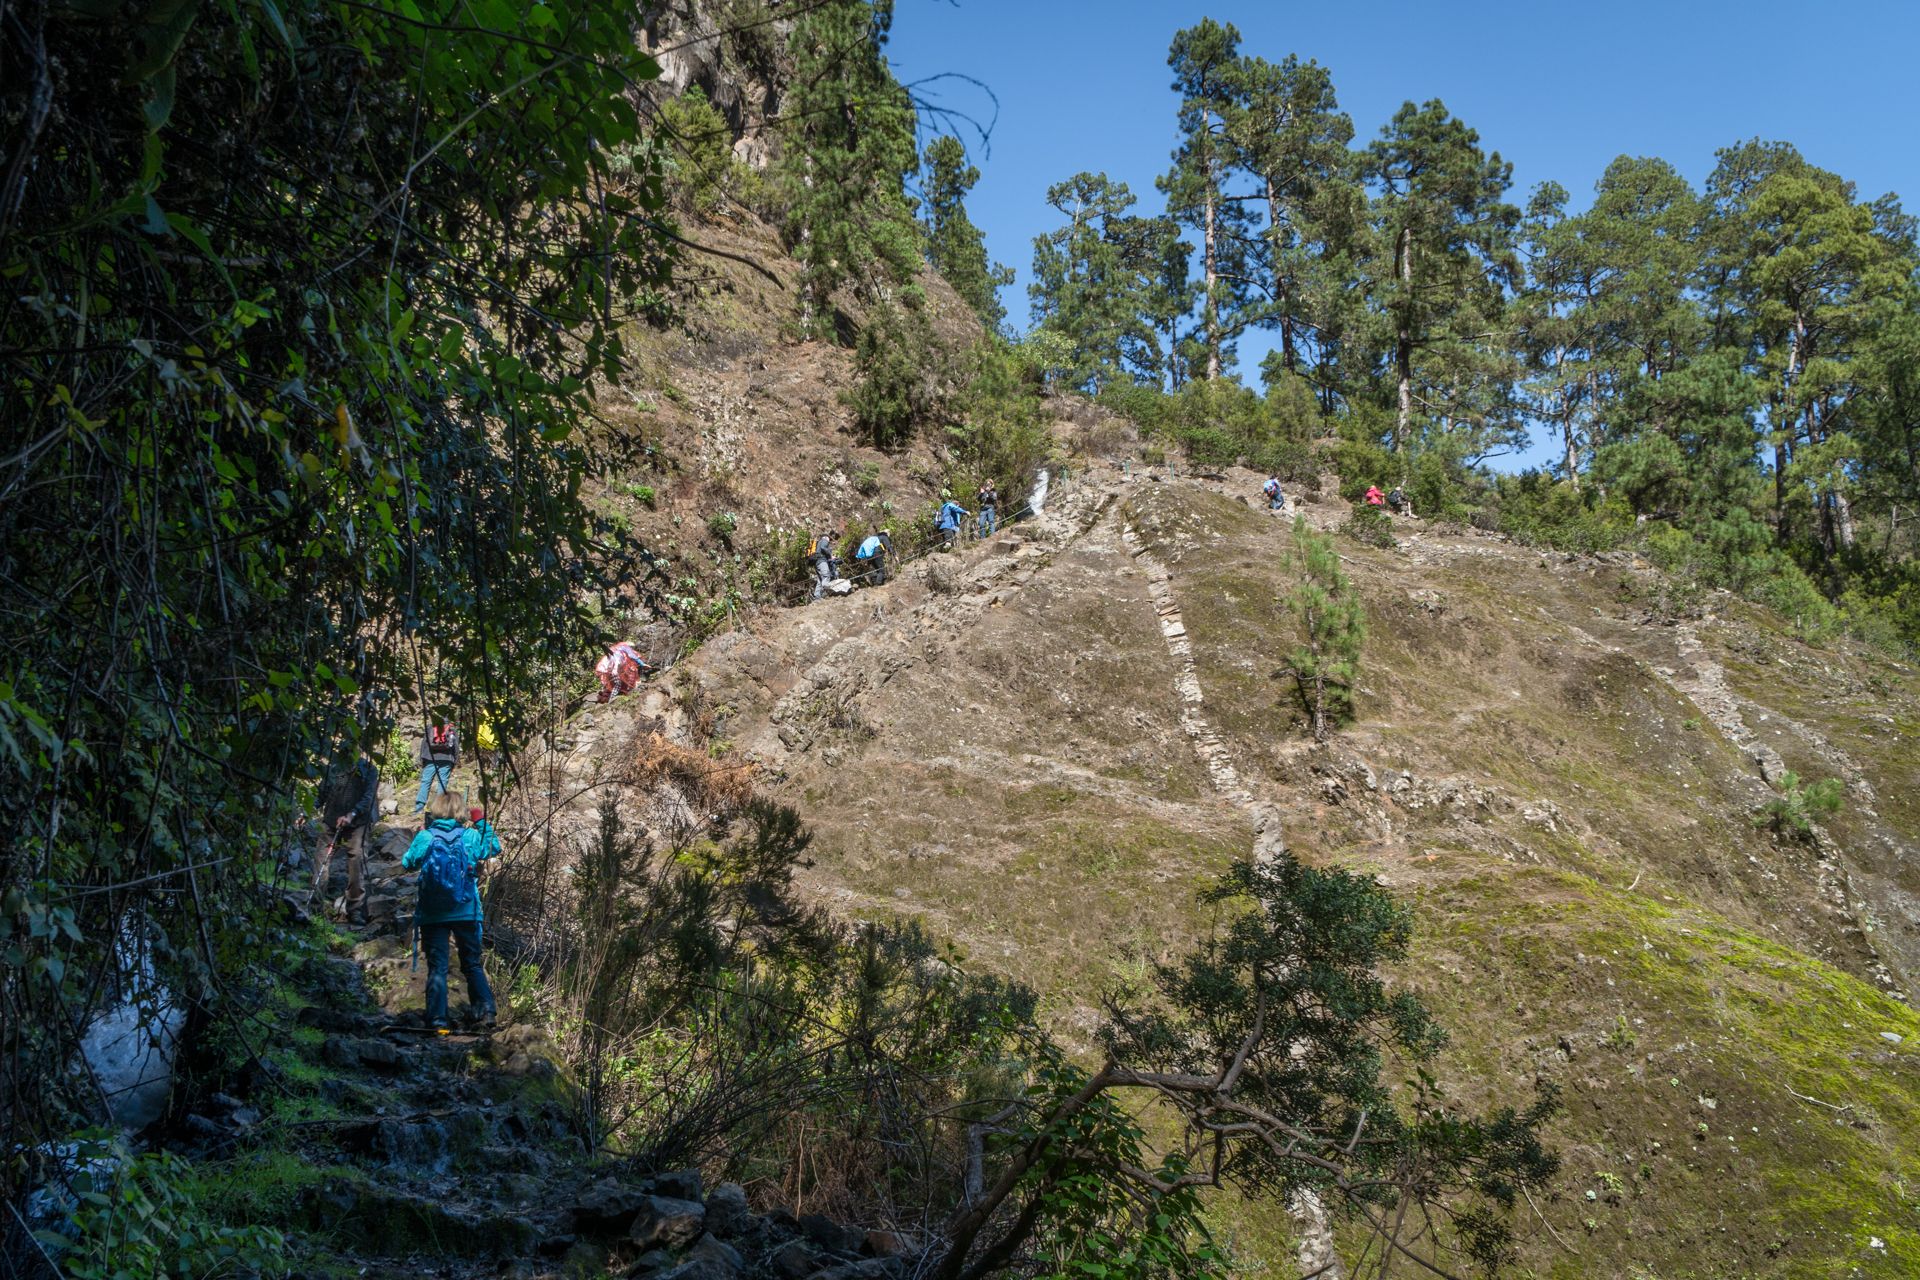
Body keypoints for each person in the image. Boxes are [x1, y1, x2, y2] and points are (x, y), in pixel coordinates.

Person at [403, 791, 499, 1032]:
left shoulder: (426, 837)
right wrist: (480, 820)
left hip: (433, 913)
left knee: (438, 966)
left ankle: (437, 1020)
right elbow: (494, 847)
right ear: (461, 812)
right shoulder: (470, 836)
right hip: (466, 910)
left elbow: (407, 863)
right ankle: (486, 1011)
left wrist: (421, 839)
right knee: (472, 964)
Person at [313, 752, 379, 925]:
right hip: (331, 819)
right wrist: (309, 810)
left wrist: (351, 814)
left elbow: (368, 798)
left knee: (356, 859)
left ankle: (355, 909)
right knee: (321, 858)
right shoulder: (334, 767)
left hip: (358, 822)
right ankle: (315, 905)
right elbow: (322, 792)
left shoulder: (369, 770)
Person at [413, 714, 458, 813]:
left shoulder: (430, 727)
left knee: (426, 782)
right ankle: (439, 810)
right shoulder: (451, 729)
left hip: (430, 758)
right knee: (442, 783)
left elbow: (424, 743)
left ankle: (419, 808)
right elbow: (455, 746)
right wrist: (455, 761)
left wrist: (422, 758)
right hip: (446, 759)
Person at [808, 529, 838, 600]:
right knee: (826, 575)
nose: (830, 541)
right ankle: (825, 592)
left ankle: (817, 596)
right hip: (821, 561)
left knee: (820, 579)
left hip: (817, 562)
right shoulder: (825, 539)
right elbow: (823, 548)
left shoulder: (819, 542)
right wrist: (831, 555)